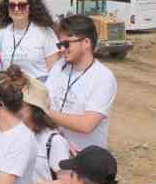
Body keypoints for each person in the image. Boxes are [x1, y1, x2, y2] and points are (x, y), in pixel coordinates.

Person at [43, 14, 118, 152]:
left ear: (86, 43)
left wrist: (46, 112)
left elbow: (87, 125)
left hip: (83, 161)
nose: (61, 49)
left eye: (66, 44)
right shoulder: (59, 66)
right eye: (59, 44)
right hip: (54, 151)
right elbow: (45, 99)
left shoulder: (103, 77)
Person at [0, 0, 60, 82]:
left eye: (21, 5)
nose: (16, 9)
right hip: (9, 92)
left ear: (30, 7)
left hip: (36, 92)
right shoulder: (1, 33)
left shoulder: (45, 33)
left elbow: (54, 71)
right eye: (12, 5)